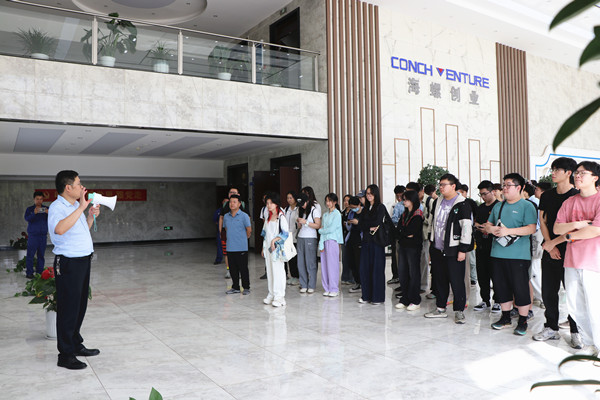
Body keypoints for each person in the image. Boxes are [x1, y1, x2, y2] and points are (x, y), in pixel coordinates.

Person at [47, 170, 100, 370]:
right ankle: (65, 355)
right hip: (68, 263)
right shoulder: (57, 207)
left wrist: (90, 216)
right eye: (79, 184)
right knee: (68, 308)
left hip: (83, 261)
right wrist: (82, 207)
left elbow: (81, 231)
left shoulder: (74, 207)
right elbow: (59, 229)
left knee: (79, 306)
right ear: (68, 188)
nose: (82, 187)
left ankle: (76, 344)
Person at [553, 161, 600, 356]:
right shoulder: (569, 202)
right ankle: (589, 343)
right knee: (574, 305)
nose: (577, 176)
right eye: (577, 173)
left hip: (594, 261)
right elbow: (557, 228)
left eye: (583, 173)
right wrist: (578, 224)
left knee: (595, 306)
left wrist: (569, 236)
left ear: (595, 177)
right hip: (571, 260)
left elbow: (595, 230)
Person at [534, 158, 581, 346]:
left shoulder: (576, 196)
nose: (552, 173)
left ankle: (576, 330)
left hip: (571, 248)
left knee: (572, 292)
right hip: (550, 248)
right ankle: (551, 327)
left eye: (557, 170)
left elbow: (576, 227)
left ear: (569, 173)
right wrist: (549, 244)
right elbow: (543, 221)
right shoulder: (547, 196)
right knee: (549, 291)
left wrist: (555, 243)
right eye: (552, 169)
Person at [485, 173, 538, 336]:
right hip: (497, 253)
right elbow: (488, 225)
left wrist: (508, 231)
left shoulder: (527, 206)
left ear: (519, 187)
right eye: (504, 185)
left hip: (519, 256)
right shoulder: (498, 206)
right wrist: (492, 229)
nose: (505, 188)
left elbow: (531, 228)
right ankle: (505, 317)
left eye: (508, 185)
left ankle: (522, 320)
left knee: (520, 288)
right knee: (501, 287)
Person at [424, 174, 472, 324]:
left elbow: (466, 227)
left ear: (453, 186)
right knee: (439, 279)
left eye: (444, 184)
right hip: (437, 248)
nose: (441, 187)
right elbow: (432, 222)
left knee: (457, 281)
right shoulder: (437, 201)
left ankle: (459, 311)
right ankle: (440, 308)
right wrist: (431, 241)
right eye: (440, 184)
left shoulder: (462, 204)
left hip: (454, 249)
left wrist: (463, 249)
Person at [358, 184, 388, 305]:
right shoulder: (365, 208)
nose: (369, 196)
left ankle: (377, 297)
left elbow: (377, 222)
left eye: (371, 194)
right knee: (365, 269)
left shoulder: (380, 207)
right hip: (366, 241)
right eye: (367, 194)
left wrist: (367, 225)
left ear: (376, 194)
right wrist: (368, 227)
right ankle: (366, 296)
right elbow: (360, 224)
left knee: (377, 269)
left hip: (377, 242)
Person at [473, 180, 500, 312]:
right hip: (481, 245)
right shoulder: (481, 208)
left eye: (485, 194)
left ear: (493, 192)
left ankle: (498, 301)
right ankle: (485, 300)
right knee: (482, 274)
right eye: (481, 194)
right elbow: (475, 222)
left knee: (496, 274)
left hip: (495, 246)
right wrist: (480, 226)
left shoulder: (499, 206)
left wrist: (489, 228)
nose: (483, 197)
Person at [395, 190, 424, 310]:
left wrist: (404, 232)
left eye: (406, 200)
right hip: (403, 246)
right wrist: (404, 233)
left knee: (413, 273)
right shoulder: (404, 214)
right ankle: (405, 298)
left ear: (412, 200)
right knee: (403, 272)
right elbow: (399, 230)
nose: (404, 202)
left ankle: (415, 300)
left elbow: (411, 231)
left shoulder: (417, 214)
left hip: (413, 247)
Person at [261, 193, 290, 307]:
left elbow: (285, 233)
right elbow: (265, 234)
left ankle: (280, 297)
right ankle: (271, 294)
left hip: (277, 249)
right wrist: (264, 248)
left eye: (271, 203)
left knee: (278, 272)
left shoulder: (281, 216)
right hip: (269, 249)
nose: (269, 205)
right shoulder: (268, 216)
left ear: (276, 204)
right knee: (270, 271)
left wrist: (274, 240)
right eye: (267, 203)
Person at [223, 194, 252, 295]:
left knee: (243, 268)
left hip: (241, 247)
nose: (232, 204)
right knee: (233, 269)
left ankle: (246, 287)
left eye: (234, 202)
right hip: (230, 247)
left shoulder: (244, 216)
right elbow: (226, 228)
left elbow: (249, 230)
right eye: (230, 202)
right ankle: (235, 287)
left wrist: (242, 239)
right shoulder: (226, 216)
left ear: (239, 204)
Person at [296, 186, 322, 294]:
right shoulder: (301, 210)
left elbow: (318, 225)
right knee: (300, 262)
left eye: (303, 203)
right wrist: (299, 223)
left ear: (307, 201)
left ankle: (311, 285)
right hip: (301, 237)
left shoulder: (314, 209)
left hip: (310, 237)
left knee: (310, 262)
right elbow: (300, 226)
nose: (301, 206)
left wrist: (306, 222)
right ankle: (303, 284)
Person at [318, 193, 344, 297]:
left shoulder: (337, 214)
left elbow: (331, 229)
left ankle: (334, 288)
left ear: (335, 202)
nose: (328, 203)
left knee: (333, 265)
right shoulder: (325, 215)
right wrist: (321, 244)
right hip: (324, 241)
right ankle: (327, 287)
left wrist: (320, 231)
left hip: (333, 241)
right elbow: (323, 229)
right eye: (327, 201)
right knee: (324, 266)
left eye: (330, 201)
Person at [218, 187, 246, 279]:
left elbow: (247, 218)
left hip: (239, 234)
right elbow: (221, 217)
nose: (232, 193)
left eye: (234, 192)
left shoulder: (242, 204)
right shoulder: (225, 204)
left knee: (239, 253)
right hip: (226, 233)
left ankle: (239, 271)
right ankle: (229, 270)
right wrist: (220, 231)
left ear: (238, 194)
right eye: (230, 192)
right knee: (227, 252)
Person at [24, 190, 48, 279]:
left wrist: (49, 213)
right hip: (33, 236)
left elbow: (54, 219)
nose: (39, 201)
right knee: (30, 255)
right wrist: (34, 213)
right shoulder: (30, 209)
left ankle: (40, 272)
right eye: (37, 199)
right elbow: (27, 219)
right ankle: (29, 273)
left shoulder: (46, 209)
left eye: (41, 199)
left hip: (43, 236)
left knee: (41, 255)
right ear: (34, 199)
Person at [458, 184, 478, 288]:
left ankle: (473, 278)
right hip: (459, 235)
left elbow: (476, 215)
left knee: (472, 259)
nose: (460, 194)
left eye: (462, 192)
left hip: (470, 233)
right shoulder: (456, 203)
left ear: (466, 193)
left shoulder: (470, 203)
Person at [389, 185, 406, 285]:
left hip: (409, 237)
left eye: (401, 195)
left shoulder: (416, 205)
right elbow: (393, 219)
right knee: (396, 257)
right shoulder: (396, 206)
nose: (399, 198)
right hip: (397, 234)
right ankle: (397, 277)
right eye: (397, 196)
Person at [422, 184, 437, 297]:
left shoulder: (431, 201)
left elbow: (431, 220)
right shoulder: (434, 201)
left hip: (432, 236)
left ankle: (434, 289)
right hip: (429, 235)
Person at [345, 196, 363, 293]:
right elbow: (349, 228)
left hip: (360, 240)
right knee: (351, 262)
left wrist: (358, 222)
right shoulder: (351, 213)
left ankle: (362, 283)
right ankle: (357, 282)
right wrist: (348, 223)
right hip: (351, 239)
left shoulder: (364, 212)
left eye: (354, 207)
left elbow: (366, 226)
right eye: (351, 207)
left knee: (359, 262)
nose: (353, 209)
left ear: (359, 204)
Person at [285, 191, 300, 286]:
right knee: (290, 257)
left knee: (296, 258)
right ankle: (293, 276)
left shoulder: (298, 209)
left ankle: (297, 277)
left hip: (296, 237)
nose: (289, 200)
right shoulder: (286, 209)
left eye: (291, 198)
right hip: (288, 237)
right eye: (288, 198)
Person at [340, 194, 355, 286]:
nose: (346, 202)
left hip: (351, 236)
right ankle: (345, 277)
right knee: (344, 257)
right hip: (343, 236)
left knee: (351, 257)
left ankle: (351, 278)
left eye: (348, 200)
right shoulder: (342, 213)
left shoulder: (353, 212)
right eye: (345, 200)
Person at [212, 198, 228, 265]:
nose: (226, 203)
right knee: (220, 245)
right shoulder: (219, 211)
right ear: (222, 202)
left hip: (229, 231)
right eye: (224, 202)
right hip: (221, 231)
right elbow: (215, 220)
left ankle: (230, 260)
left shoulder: (230, 211)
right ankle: (218, 259)